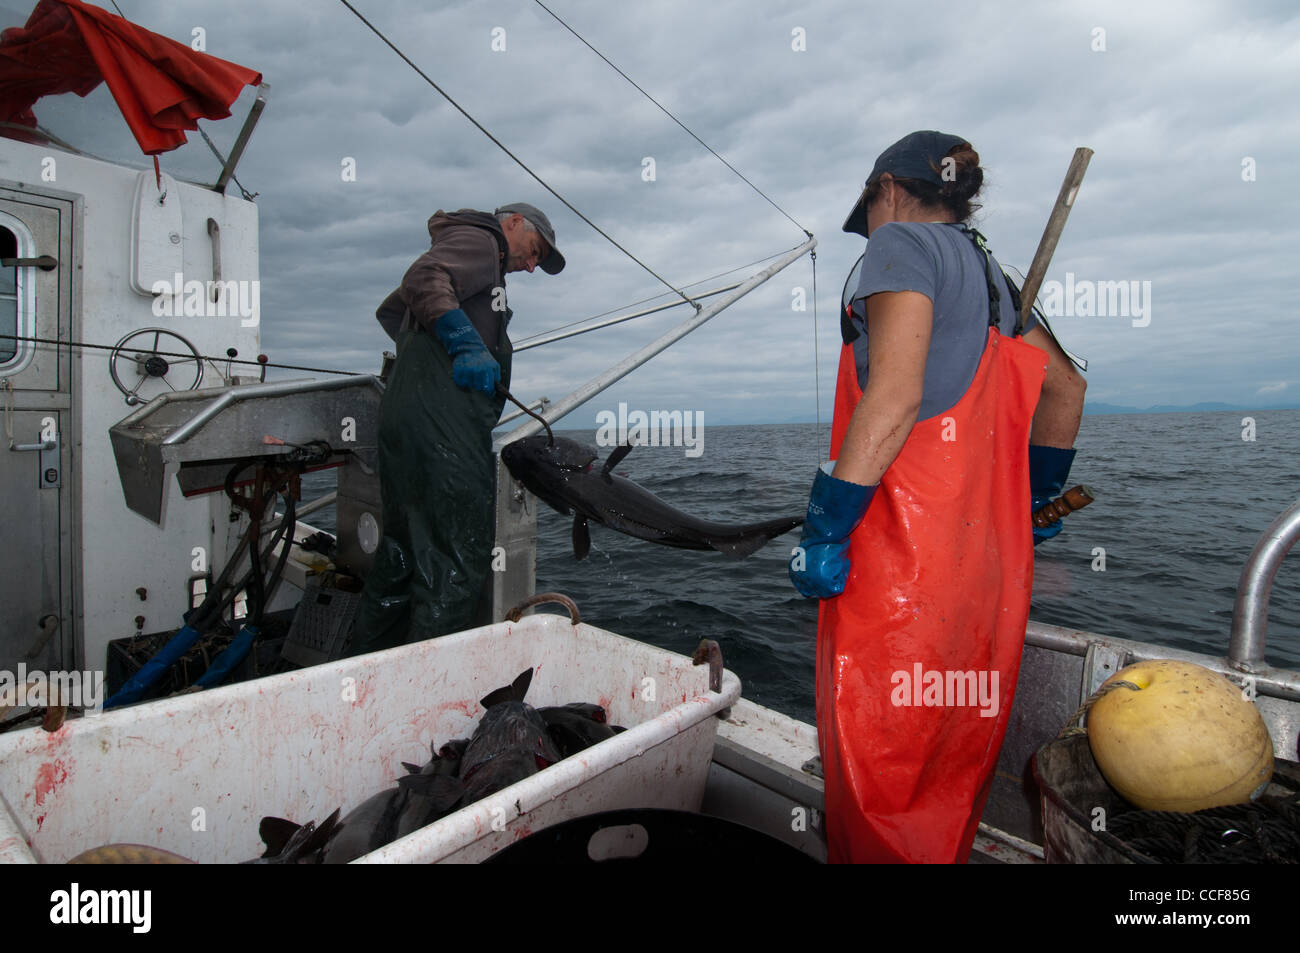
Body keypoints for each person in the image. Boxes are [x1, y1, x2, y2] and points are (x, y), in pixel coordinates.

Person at [789, 131, 1087, 863]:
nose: (871, 230)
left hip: (902, 583)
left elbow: (892, 398)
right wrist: (1035, 497)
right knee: (947, 775)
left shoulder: (900, 248)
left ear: (887, 188)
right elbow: (1066, 390)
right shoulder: (992, 279)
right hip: (988, 579)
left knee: (879, 789)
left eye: (871, 211)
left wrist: (826, 525)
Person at [350, 203, 565, 654]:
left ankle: (361, 675)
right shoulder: (482, 240)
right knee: (455, 558)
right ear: (512, 224)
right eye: (533, 251)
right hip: (443, 432)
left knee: (401, 552)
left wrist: (428, 354)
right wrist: (463, 344)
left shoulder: (476, 258)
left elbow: (392, 313)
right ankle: (427, 693)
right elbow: (422, 280)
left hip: (404, 425)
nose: (529, 266)